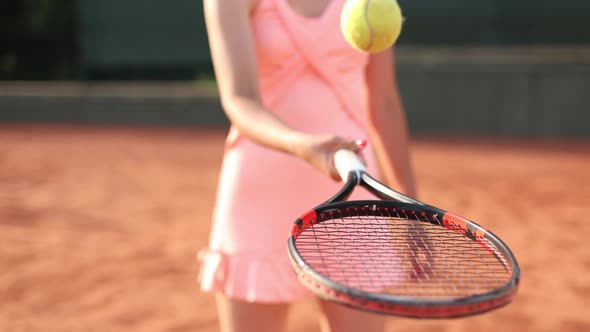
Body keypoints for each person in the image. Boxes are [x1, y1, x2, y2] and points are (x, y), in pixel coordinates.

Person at [198, 0, 417, 331]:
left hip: (353, 198)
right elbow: (240, 99)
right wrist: (301, 145)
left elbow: (383, 103)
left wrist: (410, 208)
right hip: (261, 196)